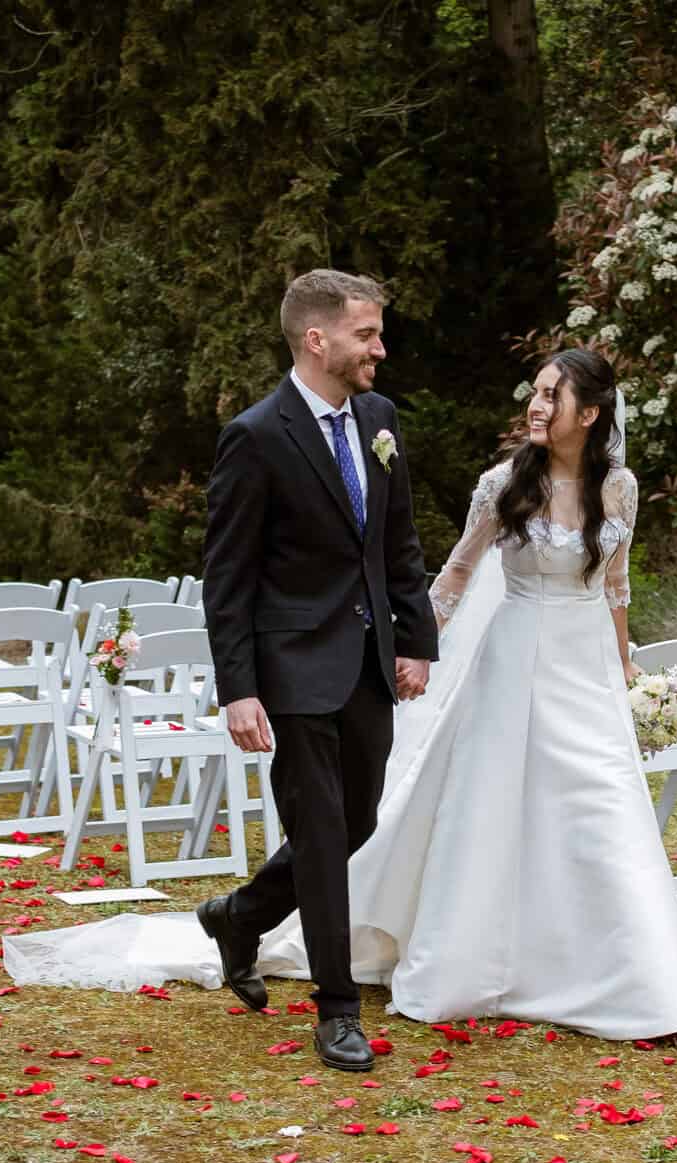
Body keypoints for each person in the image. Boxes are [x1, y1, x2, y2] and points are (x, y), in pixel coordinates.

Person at [1, 347, 677, 1043]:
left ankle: (638, 984)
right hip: (515, 662)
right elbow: (452, 576)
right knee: (489, 809)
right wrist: (410, 646)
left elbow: (614, 585)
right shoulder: (506, 484)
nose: (535, 404)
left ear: (589, 413)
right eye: (533, 389)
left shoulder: (619, 489)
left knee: (600, 807)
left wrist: (624, 673)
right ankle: (463, 962)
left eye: (551, 395)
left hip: (583, 668)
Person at [193, 269, 439, 1071]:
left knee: (358, 819)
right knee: (324, 833)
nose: (381, 348)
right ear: (317, 339)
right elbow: (228, 579)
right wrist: (239, 688)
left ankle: (240, 915)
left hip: (368, 663)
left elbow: (397, 544)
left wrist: (416, 639)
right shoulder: (256, 436)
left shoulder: (379, 419)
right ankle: (337, 1011)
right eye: (367, 334)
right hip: (292, 667)